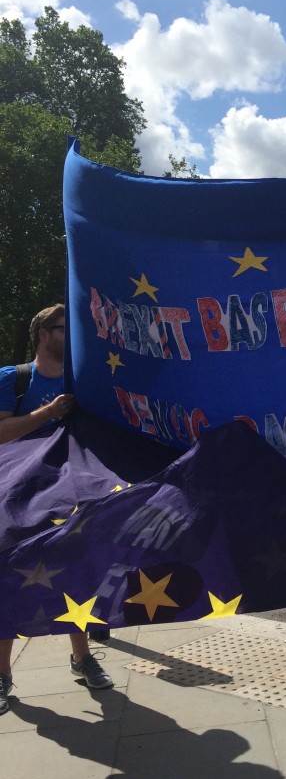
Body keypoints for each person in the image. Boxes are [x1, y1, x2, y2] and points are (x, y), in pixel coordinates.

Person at [0, 304, 113, 715]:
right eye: (64, 328)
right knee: (7, 576)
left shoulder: (82, 380)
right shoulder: (13, 379)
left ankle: (82, 659)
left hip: (68, 496)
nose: (71, 335)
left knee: (77, 571)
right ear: (43, 333)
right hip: (15, 496)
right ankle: (2, 676)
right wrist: (48, 413)